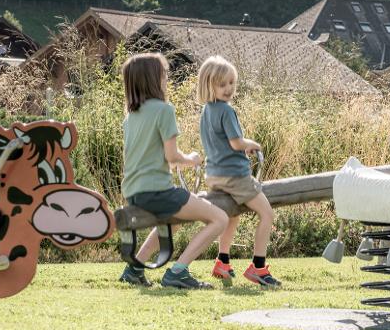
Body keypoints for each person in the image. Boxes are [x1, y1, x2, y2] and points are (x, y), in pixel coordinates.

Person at [118, 53, 229, 289]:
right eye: (164, 74)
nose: (167, 78)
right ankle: (178, 271)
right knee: (219, 218)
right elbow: (172, 157)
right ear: (153, 78)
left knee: (176, 219)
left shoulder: (130, 117)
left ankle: (135, 268)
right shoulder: (164, 110)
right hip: (158, 192)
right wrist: (192, 159)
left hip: (134, 193)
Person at [196, 56, 280, 288]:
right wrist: (251, 144)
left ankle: (223, 261)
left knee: (232, 215)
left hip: (214, 175)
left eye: (232, 83)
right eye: (222, 84)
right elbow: (235, 142)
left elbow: (220, 143)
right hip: (235, 176)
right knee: (267, 214)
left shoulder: (206, 111)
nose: (228, 89)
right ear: (209, 85)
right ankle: (259, 267)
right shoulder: (226, 110)